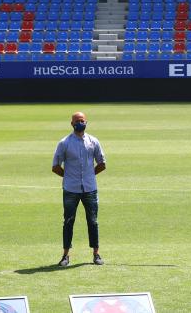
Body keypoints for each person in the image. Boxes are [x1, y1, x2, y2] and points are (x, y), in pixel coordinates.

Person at [52, 111, 106, 267]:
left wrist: (90, 175)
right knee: (68, 221)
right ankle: (65, 255)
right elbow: (55, 166)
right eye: (76, 121)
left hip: (90, 188)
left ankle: (96, 254)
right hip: (71, 189)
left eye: (82, 120)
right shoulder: (64, 143)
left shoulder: (93, 141)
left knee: (93, 221)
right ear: (71, 124)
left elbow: (102, 163)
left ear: (86, 122)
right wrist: (68, 177)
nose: (79, 123)